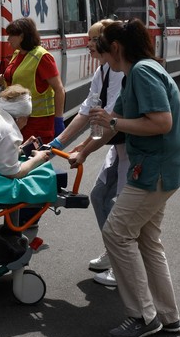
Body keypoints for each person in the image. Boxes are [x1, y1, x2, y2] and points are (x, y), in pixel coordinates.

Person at [68, 19, 180, 337]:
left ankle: (142, 316)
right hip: (158, 169)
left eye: (103, 53)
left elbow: (161, 122)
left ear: (116, 48)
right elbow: (112, 127)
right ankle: (167, 316)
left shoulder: (143, 72)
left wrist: (114, 121)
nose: (102, 60)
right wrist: (84, 151)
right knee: (148, 242)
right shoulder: (140, 72)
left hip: (153, 170)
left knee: (116, 233)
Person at [48, 20, 126, 287]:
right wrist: (54, 145)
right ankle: (115, 253)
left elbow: (113, 120)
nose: (88, 43)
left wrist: (85, 151)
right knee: (100, 195)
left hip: (136, 151)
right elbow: (87, 112)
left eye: (94, 39)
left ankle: (124, 266)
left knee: (128, 213)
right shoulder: (103, 70)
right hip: (119, 148)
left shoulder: (123, 72)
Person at [0, 17, 65, 144]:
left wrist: (58, 119)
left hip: (38, 122)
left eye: (11, 35)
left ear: (22, 36)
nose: (8, 39)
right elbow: (10, 78)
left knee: (34, 160)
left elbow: (59, 89)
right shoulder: (18, 54)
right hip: (19, 119)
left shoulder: (42, 57)